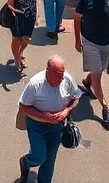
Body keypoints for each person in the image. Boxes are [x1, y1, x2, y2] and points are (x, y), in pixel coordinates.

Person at [18, 55, 79, 183]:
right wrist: (44, 117)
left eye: (62, 73)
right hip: (37, 125)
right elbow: (24, 106)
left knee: (50, 160)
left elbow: (76, 98)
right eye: (57, 74)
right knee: (40, 156)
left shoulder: (67, 80)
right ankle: (26, 162)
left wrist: (67, 111)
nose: (61, 77)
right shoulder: (35, 84)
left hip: (57, 126)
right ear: (48, 70)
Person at [6, 0, 38, 72]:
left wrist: (36, 16)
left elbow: (34, 1)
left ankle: (20, 53)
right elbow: (11, 0)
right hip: (18, 15)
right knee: (17, 38)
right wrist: (12, 10)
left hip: (30, 15)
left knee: (26, 39)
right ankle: (17, 60)